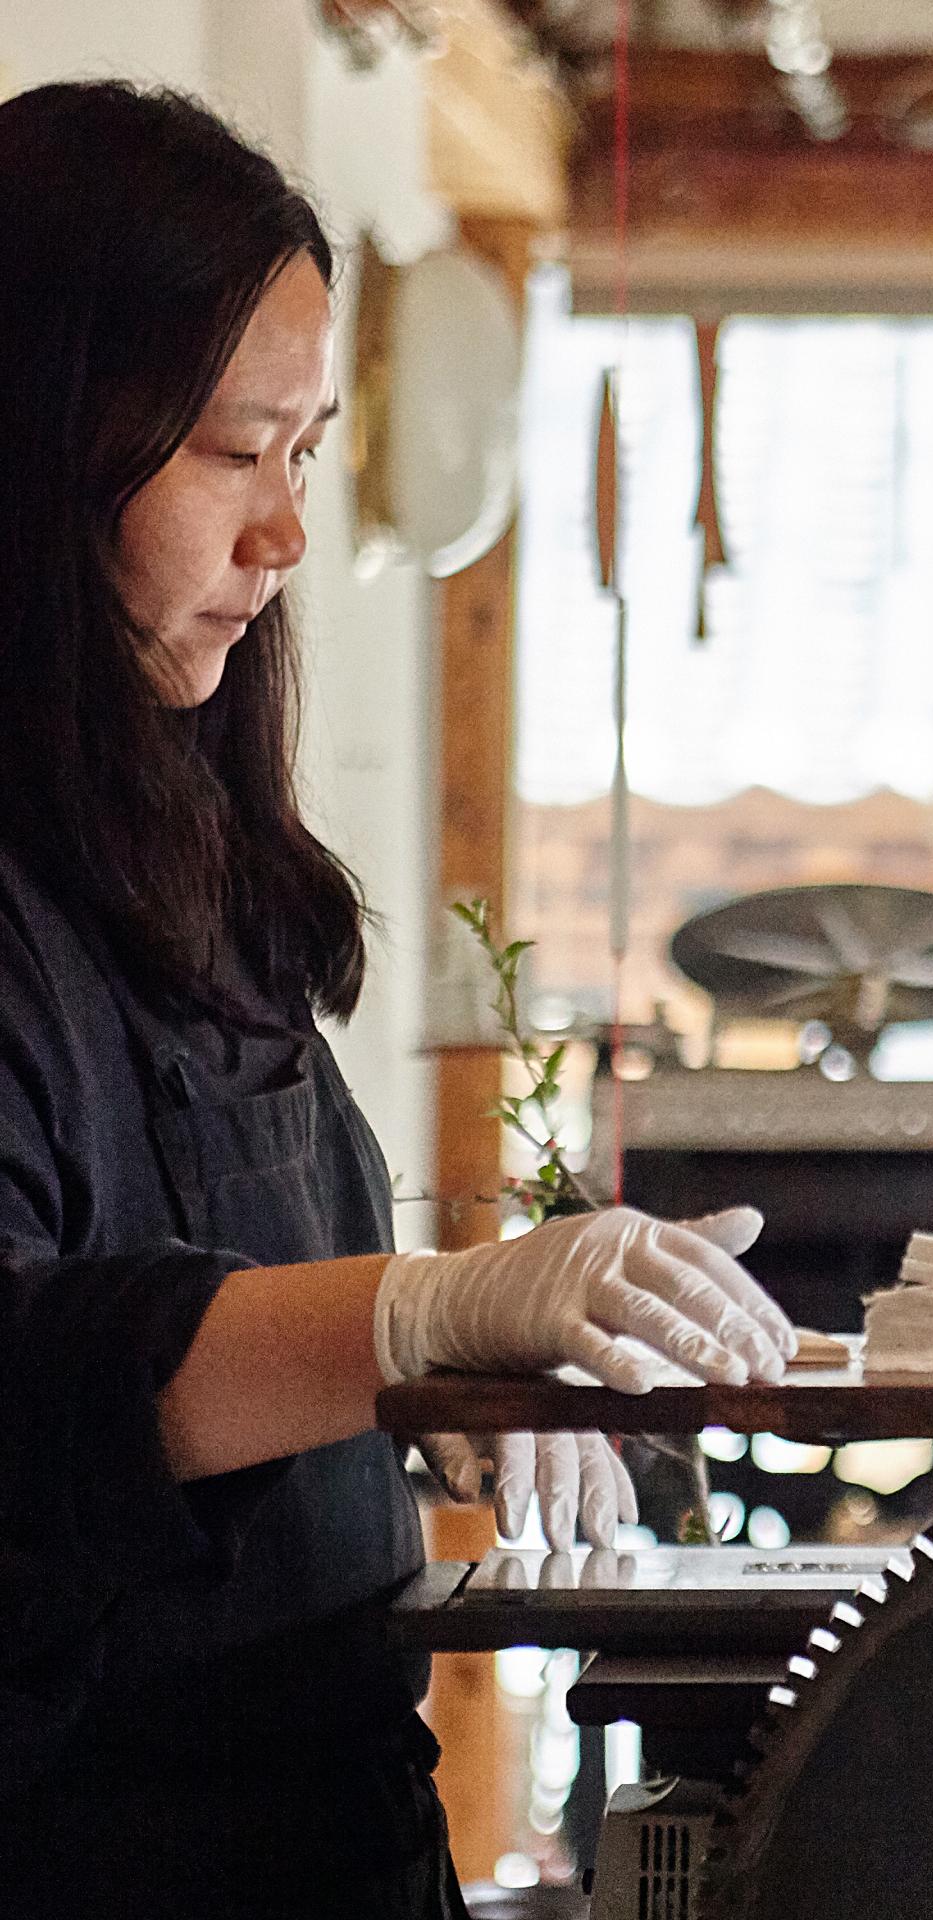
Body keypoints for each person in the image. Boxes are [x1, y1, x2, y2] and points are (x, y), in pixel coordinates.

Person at [0, 79, 796, 1918]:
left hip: (338, 1832)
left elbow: (247, 1312)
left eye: (310, 452)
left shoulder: (187, 843)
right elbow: (33, 1381)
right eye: (231, 454)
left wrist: (439, 1376)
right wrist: (404, 1316)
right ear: (44, 445)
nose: (285, 539)